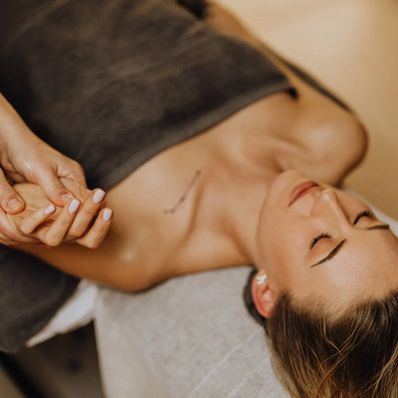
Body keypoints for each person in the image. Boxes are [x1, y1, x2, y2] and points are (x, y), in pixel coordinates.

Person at [2, 0, 398, 396]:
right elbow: (224, 22)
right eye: (365, 218)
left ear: (267, 294)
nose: (329, 202)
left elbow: (10, 206)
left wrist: (15, 213)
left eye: (321, 242)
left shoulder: (134, 251)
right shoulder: (335, 137)